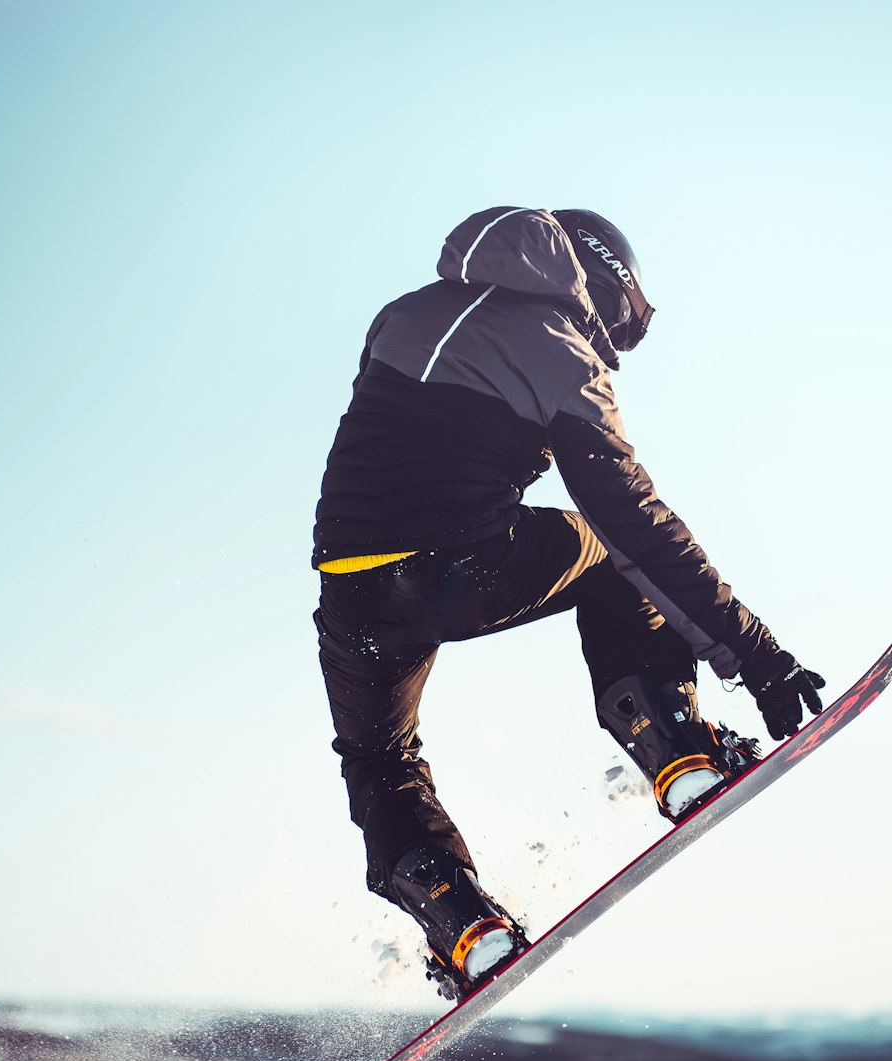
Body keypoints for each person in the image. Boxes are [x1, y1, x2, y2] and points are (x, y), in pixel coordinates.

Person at [312, 207, 824, 1001]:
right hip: (459, 562)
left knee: (379, 757)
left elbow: (387, 450)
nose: (615, 347)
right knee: (618, 560)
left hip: (350, 582)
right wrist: (756, 655)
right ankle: (679, 753)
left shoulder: (407, 311)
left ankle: (463, 927)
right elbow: (635, 526)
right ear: (607, 284)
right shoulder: (559, 348)